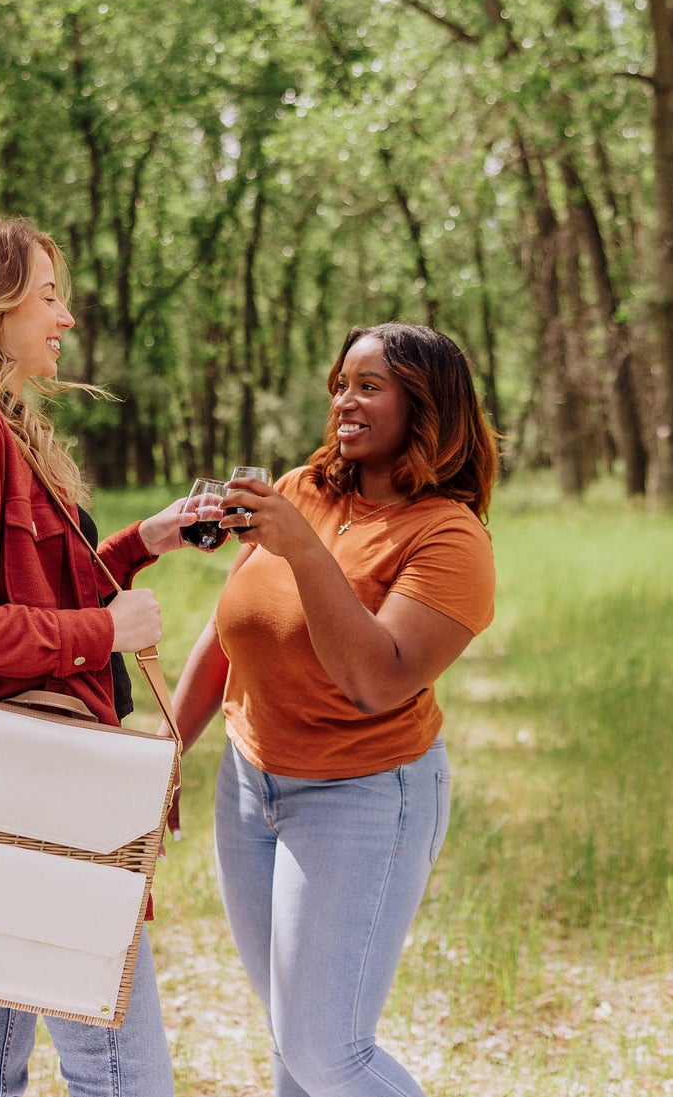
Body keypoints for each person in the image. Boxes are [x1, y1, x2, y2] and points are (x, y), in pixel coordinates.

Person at [0, 217, 195, 1097]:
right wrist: (106, 633)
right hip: (38, 788)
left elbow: (27, 579)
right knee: (118, 1064)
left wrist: (143, 540)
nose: (66, 318)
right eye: (49, 296)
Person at [168, 323, 500, 1097]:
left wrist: (304, 551)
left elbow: (377, 679)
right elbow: (227, 633)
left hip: (363, 797)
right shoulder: (301, 490)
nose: (344, 400)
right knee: (293, 1039)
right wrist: (165, 749)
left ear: (424, 404)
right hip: (250, 789)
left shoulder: (450, 538)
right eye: (341, 384)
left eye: (368, 386)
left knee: (328, 1051)